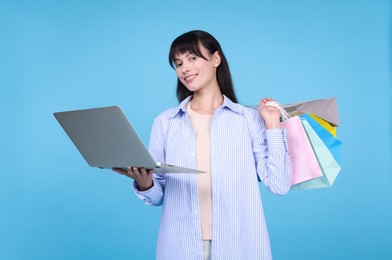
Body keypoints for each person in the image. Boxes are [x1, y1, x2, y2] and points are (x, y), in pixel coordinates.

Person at [113, 30, 292, 260]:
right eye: (178, 63)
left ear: (216, 59)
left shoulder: (248, 119)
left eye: (192, 58)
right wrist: (145, 182)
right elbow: (156, 197)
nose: (184, 68)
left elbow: (279, 185)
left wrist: (272, 125)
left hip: (240, 246)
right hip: (180, 246)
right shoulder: (165, 123)